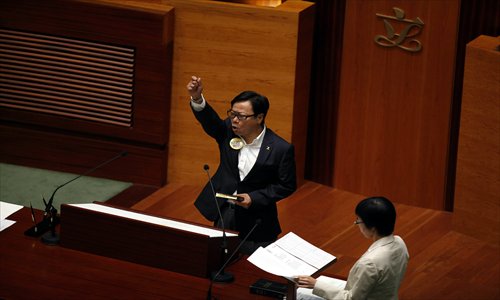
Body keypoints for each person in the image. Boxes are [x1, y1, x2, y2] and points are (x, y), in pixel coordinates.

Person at [186, 76, 297, 254]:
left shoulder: (280, 148)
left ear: (259, 117)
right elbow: (210, 121)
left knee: (256, 267)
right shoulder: (227, 132)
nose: (234, 120)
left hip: (257, 218)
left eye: (241, 116)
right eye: (232, 114)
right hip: (226, 211)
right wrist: (197, 99)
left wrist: (255, 197)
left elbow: (286, 185)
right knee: (220, 258)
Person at [296, 196, 409, 300]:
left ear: (373, 228)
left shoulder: (369, 263)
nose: (357, 223)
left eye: (359, 221)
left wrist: (315, 285)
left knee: (299, 292)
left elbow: (351, 298)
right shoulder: (399, 242)